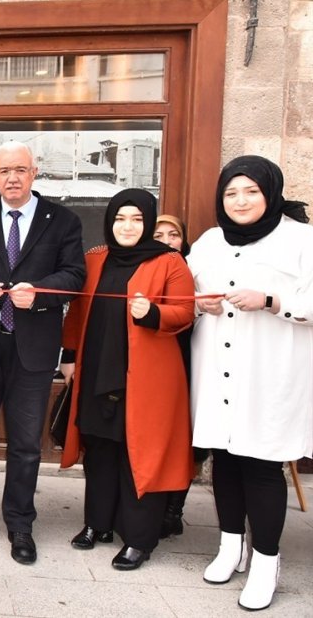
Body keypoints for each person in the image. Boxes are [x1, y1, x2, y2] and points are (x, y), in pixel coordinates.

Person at [0, 140, 85, 564]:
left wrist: (40, 294)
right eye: (4, 170)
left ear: (34, 172)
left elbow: (75, 275)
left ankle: (20, 524)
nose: (12, 178)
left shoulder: (62, 220)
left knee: (26, 444)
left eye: (20, 170)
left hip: (34, 347)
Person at [187, 155, 312, 611]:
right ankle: (229, 545)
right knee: (224, 458)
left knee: (261, 464)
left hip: (269, 371)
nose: (240, 201)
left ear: (270, 192)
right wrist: (203, 305)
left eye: (251, 191)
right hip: (216, 366)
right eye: (231, 193)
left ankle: (266, 561)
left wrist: (273, 300)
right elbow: (186, 293)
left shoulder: (301, 239)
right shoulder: (209, 242)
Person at [58, 189, 195, 571]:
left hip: (146, 378)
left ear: (148, 222)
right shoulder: (95, 258)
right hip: (97, 370)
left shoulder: (170, 262)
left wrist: (154, 313)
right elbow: (76, 312)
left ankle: (138, 539)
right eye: (121, 218)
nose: (128, 226)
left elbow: (185, 313)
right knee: (100, 449)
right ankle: (97, 524)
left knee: (140, 455)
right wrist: (68, 357)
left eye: (136, 219)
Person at [152, 213, 205, 539]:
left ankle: (175, 509)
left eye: (173, 235)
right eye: (159, 234)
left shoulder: (195, 271)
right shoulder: (142, 268)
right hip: (157, 364)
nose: (167, 240)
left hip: (193, 359)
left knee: (189, 439)